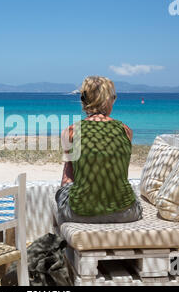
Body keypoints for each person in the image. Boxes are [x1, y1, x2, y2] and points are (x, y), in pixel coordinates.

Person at [55, 76, 142, 225]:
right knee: (131, 193)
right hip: (126, 213)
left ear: (84, 101)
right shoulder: (126, 130)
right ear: (109, 100)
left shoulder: (71, 131)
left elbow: (67, 177)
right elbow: (120, 173)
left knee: (61, 193)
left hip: (79, 214)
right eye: (113, 98)